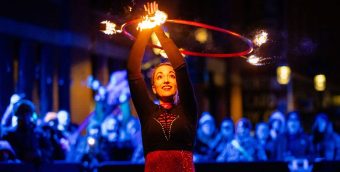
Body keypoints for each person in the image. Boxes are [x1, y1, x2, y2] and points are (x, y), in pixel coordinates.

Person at [127, 2, 197, 171]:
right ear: (154, 87)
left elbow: (180, 66)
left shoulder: (188, 109)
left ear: (178, 83)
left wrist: (157, 27)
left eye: (171, 76)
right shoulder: (147, 112)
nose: (166, 80)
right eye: (160, 77)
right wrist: (146, 26)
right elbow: (133, 72)